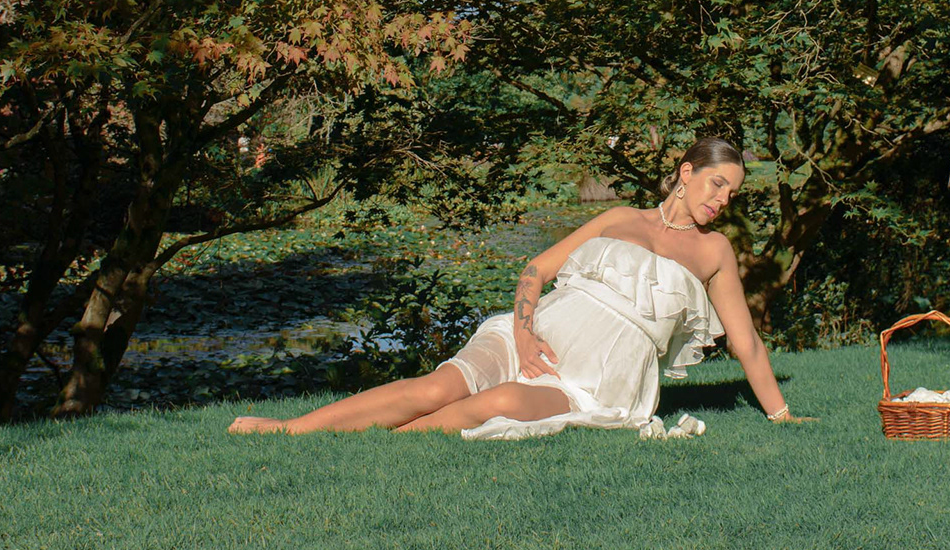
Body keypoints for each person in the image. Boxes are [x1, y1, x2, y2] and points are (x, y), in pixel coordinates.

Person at [226, 137, 811, 437]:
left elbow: (748, 344)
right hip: (534, 339)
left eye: (732, 192)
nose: (722, 199)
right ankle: (292, 429)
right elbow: (535, 270)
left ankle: (385, 440)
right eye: (716, 184)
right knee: (438, 386)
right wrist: (525, 336)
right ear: (686, 173)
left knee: (501, 403)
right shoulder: (620, 219)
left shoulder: (713, 252)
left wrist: (781, 416)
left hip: (595, 382)